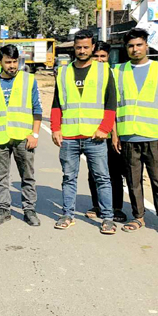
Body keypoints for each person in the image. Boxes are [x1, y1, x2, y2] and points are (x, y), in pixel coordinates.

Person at [51, 29, 117, 234]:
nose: (81, 50)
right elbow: (56, 103)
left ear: (93, 48)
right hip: (69, 136)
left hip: (94, 136)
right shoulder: (63, 72)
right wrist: (55, 128)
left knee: (102, 178)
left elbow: (111, 103)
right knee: (68, 178)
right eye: (78, 47)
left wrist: (105, 128)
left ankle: (107, 218)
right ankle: (67, 215)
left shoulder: (104, 70)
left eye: (85, 47)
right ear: (74, 48)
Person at [111, 28, 158, 237]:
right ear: (126, 48)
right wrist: (114, 133)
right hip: (128, 135)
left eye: (139, 45)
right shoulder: (117, 71)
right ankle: (138, 217)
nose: (135, 49)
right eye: (130, 46)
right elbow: (113, 105)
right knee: (133, 181)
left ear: (147, 46)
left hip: (154, 137)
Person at [0, 44, 42, 226]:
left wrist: (35, 135)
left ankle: (29, 210)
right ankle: (3, 209)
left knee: (28, 176)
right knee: (0, 177)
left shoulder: (29, 80)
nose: (12, 65)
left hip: (23, 137)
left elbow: (37, 109)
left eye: (15, 61)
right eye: (8, 62)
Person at [85, 40, 127, 222]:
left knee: (114, 171)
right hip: (93, 133)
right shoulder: (88, 75)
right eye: (96, 56)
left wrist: (115, 133)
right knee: (94, 172)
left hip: (112, 133)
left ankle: (116, 207)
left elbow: (115, 106)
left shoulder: (115, 74)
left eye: (103, 56)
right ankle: (97, 205)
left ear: (108, 57)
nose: (100, 60)